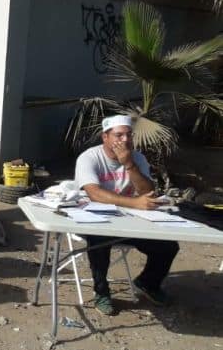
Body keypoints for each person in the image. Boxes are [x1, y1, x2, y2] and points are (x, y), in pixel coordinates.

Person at [75, 114, 179, 316]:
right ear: (105, 137)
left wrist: (129, 165)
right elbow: (94, 193)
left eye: (128, 135)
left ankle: (148, 283)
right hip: (97, 219)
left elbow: (147, 192)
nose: (125, 140)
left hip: (132, 220)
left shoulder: (137, 158)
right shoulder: (89, 157)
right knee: (99, 242)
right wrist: (134, 203)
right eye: (119, 135)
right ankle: (102, 292)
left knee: (168, 246)